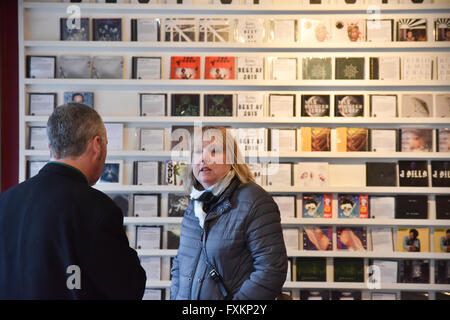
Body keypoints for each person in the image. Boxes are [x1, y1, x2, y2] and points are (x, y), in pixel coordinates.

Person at [0, 103, 146, 299]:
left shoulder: (6, 200)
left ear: (51, 146)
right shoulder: (98, 209)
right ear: (96, 146)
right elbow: (128, 288)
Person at [170, 126, 287, 300]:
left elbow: (271, 269)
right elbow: (180, 266)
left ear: (232, 159)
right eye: (197, 152)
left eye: (214, 151)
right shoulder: (194, 206)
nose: (203, 158)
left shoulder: (254, 201)